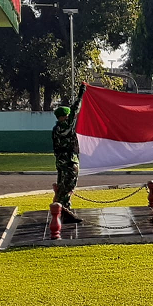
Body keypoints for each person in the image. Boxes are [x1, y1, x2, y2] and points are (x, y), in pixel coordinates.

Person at [52, 83, 86, 223]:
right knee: (68, 186)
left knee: (62, 185)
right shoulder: (67, 125)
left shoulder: (56, 129)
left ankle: (63, 210)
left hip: (60, 161)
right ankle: (63, 211)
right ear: (65, 116)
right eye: (67, 115)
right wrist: (81, 93)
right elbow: (75, 108)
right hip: (70, 161)